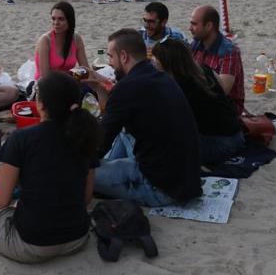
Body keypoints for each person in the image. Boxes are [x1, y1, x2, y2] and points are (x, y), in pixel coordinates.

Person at [0, 71, 100, 263]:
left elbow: (2, 202)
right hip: (77, 238)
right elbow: (86, 198)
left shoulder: (22, 138)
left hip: (30, 246)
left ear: (40, 104)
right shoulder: (86, 136)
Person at [83, 29, 202, 207]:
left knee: (78, 174)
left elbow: (101, 142)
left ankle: (109, 170)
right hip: (186, 178)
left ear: (123, 56)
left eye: (111, 57)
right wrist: (100, 87)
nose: (109, 63)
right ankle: (110, 166)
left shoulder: (127, 88)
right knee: (123, 130)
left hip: (160, 187)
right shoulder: (162, 77)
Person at [151, 38, 245, 165]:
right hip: (235, 135)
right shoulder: (203, 70)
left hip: (222, 143)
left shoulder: (182, 87)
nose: (153, 61)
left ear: (167, 62)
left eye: (156, 58)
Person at [189, 5, 245, 115]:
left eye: (194, 24)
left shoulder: (228, 51)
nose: (190, 28)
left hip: (226, 107)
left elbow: (222, 91)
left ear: (209, 26)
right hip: (203, 99)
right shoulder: (196, 44)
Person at [34, 1, 90, 80]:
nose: (56, 23)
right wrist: (72, 75)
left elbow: (86, 69)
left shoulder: (76, 39)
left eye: (61, 19)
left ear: (69, 21)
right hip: (46, 86)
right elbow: (45, 77)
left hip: (68, 82)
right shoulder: (45, 41)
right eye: (53, 19)